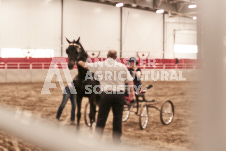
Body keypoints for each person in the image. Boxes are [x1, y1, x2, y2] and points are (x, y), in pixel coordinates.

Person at [78, 50, 135, 143]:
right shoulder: (122, 66)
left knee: (101, 118)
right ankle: (116, 140)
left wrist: (79, 62)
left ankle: (97, 139)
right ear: (116, 57)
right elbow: (130, 80)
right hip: (119, 94)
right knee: (118, 118)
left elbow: (87, 65)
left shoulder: (101, 65)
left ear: (107, 56)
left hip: (106, 95)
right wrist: (131, 93)